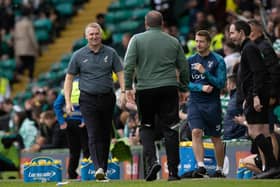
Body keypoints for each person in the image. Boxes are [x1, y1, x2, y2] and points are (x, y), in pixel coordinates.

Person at [124, 10, 189, 181]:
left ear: (146, 23)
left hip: (145, 89)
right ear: (162, 24)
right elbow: (183, 67)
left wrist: (127, 88)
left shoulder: (136, 40)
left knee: (146, 127)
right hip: (168, 88)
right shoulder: (173, 41)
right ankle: (173, 172)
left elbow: (128, 65)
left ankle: (152, 162)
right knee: (171, 129)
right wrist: (183, 88)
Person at [64, 22, 125, 181]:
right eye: (91, 34)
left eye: (96, 33)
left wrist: (124, 91)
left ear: (101, 35)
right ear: (86, 37)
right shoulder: (78, 55)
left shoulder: (111, 53)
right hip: (87, 99)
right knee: (93, 133)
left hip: (107, 98)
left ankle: (102, 169)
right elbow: (69, 79)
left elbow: (120, 73)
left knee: (105, 134)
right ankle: (98, 167)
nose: (94, 36)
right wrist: (68, 101)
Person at [229, 20, 280, 179]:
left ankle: (272, 166)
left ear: (241, 33)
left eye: (232, 32)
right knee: (264, 132)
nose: (230, 36)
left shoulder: (249, 48)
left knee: (254, 131)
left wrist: (255, 96)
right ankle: (272, 167)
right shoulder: (249, 48)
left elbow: (258, 72)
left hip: (256, 95)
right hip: (254, 94)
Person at [187, 30, 226, 178]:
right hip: (195, 101)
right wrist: (200, 87)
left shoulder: (218, 60)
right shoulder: (190, 61)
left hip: (212, 103)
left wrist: (206, 73)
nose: (198, 44)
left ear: (208, 43)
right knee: (196, 132)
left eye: (201, 41)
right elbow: (184, 83)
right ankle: (201, 166)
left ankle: (220, 169)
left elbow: (221, 83)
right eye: (196, 41)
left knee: (215, 137)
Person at [53, 78, 90, 179]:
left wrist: (61, 121)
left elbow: (57, 105)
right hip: (83, 123)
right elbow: (88, 104)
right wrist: (84, 119)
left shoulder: (67, 85)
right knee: (87, 150)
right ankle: (87, 173)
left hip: (70, 123)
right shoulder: (87, 82)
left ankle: (71, 174)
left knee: (74, 151)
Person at [14, 7, 39, 82]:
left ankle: (19, 73)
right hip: (28, 46)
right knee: (31, 61)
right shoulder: (28, 23)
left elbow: (15, 37)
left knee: (23, 61)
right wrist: (36, 46)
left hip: (19, 47)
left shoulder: (17, 24)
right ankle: (30, 77)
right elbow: (32, 36)